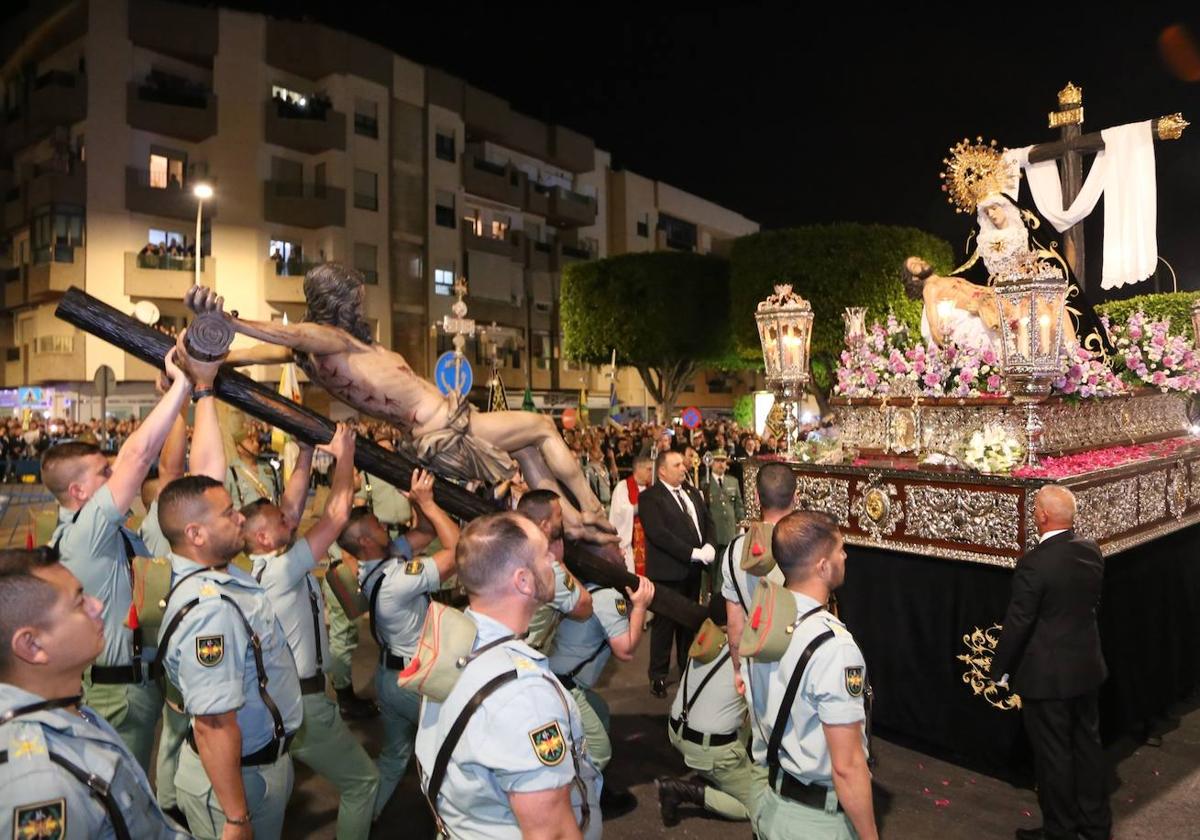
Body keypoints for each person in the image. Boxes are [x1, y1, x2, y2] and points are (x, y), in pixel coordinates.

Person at [186, 273, 616, 546]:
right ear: (337, 303)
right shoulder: (331, 340)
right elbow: (293, 334)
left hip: (443, 427)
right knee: (541, 426)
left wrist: (207, 352)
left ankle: (574, 521)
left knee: (526, 448)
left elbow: (253, 353)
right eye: (354, 300)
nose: (361, 306)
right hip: (448, 430)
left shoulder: (337, 350)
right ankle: (590, 508)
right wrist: (230, 322)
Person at [42, 346, 193, 771]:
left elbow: (169, 474)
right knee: (120, 797)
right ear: (79, 493)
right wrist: (181, 383)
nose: (115, 478)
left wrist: (177, 401)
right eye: (103, 474)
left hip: (139, 683)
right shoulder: (82, 536)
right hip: (120, 693)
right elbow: (137, 456)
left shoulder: (113, 534)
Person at [414, 512, 602, 839]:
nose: (554, 561)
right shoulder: (525, 696)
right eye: (545, 554)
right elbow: (551, 832)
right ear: (523, 580)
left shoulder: (454, 648)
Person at [245, 424, 380, 840]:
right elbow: (337, 516)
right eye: (281, 520)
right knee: (362, 782)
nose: (291, 517)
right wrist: (345, 455)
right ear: (264, 537)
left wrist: (304, 451)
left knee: (273, 799)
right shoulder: (281, 571)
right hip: (304, 704)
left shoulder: (269, 562)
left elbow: (293, 504)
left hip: (292, 699)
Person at [0, 549, 189, 839]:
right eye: (79, 603)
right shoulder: (39, 786)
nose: (98, 606)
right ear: (32, 645)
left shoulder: (69, 711)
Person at [156, 475, 304, 839]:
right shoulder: (210, 611)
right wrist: (236, 818)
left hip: (259, 768)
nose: (240, 518)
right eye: (228, 514)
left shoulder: (225, 576)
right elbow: (214, 724)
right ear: (196, 534)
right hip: (237, 784)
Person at [746, 511, 877, 840]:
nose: (845, 556)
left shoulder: (764, 623)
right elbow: (846, 767)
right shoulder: (835, 647)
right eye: (840, 550)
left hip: (771, 804)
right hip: (816, 823)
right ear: (823, 565)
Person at [990, 485, 1111, 840]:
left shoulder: (1035, 564)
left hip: (1047, 677)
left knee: (1054, 756)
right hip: (1087, 668)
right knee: (1088, 747)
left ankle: (1060, 831)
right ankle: (1096, 825)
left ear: (1041, 516)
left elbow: (1019, 623)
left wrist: (1001, 670)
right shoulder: (1090, 551)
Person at [339, 469, 459, 817]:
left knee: (394, 756)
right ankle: (453, 824)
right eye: (377, 525)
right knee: (451, 752)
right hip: (414, 682)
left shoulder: (381, 562)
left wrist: (420, 509)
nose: (385, 526)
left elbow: (424, 533)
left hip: (389, 678)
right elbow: (456, 549)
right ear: (364, 542)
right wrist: (429, 502)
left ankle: (364, 819)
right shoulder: (394, 580)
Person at [546, 547, 654, 815]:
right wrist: (640, 607)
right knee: (599, 750)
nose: (621, 550)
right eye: (615, 549)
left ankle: (595, 786)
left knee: (600, 712)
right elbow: (625, 650)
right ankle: (572, 803)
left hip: (559, 681)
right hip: (564, 686)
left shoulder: (590, 588)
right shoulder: (607, 597)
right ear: (603, 561)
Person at [656, 598, 760, 826]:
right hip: (707, 748)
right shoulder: (746, 651)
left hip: (677, 729)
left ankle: (719, 772)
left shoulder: (706, 638)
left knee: (738, 709)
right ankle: (685, 791)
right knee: (757, 806)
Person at [639, 449, 716, 697]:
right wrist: (692, 553)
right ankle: (658, 675)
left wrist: (710, 545)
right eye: (677, 465)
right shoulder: (650, 498)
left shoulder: (692, 492)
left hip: (692, 572)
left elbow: (708, 521)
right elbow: (659, 534)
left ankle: (687, 668)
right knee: (664, 626)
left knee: (690, 622)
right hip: (668, 572)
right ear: (662, 470)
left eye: (683, 464)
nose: (684, 468)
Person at [722, 462, 798, 693]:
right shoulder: (807, 544)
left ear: (756, 497)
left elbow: (735, 623)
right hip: (798, 659)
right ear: (796, 496)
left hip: (755, 659)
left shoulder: (736, 549)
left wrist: (737, 669)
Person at [517, 489, 593, 652]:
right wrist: (561, 564)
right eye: (559, 516)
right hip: (524, 658)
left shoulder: (508, 548)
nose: (563, 520)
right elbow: (585, 607)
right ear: (545, 525)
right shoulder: (548, 569)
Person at [609, 455, 652, 575]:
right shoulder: (623, 487)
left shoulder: (653, 488)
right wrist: (641, 506)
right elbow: (619, 513)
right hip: (630, 542)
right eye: (649, 469)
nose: (651, 473)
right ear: (638, 469)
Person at [706, 448, 745, 566]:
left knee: (726, 568)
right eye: (717, 461)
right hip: (713, 533)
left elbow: (738, 505)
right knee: (711, 571)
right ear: (711, 462)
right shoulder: (705, 483)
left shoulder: (733, 481)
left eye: (723, 461)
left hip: (729, 532)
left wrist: (741, 523)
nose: (721, 464)